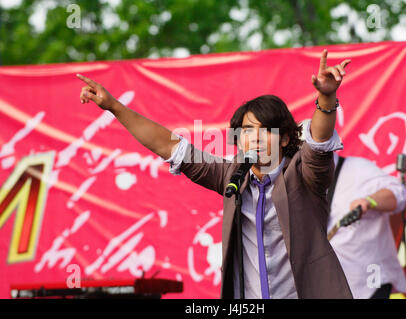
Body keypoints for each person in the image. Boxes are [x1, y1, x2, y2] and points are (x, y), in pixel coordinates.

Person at [77, 49, 353, 299]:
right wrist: (115, 107)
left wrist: (326, 97)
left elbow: (318, 143)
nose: (254, 138)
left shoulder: (304, 175)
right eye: (246, 130)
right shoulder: (233, 176)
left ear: (284, 139)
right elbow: (169, 146)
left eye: (264, 129)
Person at [323, 150, 406, 299]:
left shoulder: (357, 168)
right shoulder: (294, 177)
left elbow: (398, 194)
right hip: (327, 284)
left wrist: (370, 202)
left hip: (369, 282)